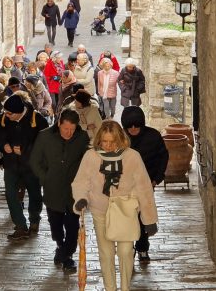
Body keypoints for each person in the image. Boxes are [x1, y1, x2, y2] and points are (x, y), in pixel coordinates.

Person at [72, 121, 158, 291]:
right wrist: (81, 198)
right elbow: (81, 181)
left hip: (125, 210)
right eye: (105, 141)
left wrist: (149, 219)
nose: (109, 146)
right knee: (106, 253)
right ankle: (110, 288)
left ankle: (125, 287)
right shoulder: (91, 156)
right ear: (99, 140)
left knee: (126, 251)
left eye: (113, 141)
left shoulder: (132, 156)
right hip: (100, 211)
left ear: (120, 140)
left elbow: (144, 187)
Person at [30, 109, 90, 273]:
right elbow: (35, 161)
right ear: (59, 124)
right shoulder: (44, 136)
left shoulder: (82, 137)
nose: (69, 133)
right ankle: (60, 247)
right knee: (56, 227)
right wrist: (46, 178)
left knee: (72, 227)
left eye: (72, 129)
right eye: (65, 129)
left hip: (74, 191)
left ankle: (67, 257)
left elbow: (88, 161)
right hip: (53, 190)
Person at [0, 93, 49, 239]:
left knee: (34, 194)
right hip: (11, 164)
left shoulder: (37, 119)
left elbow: (44, 142)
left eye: (9, 113)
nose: (6, 115)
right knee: (10, 193)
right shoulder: (4, 118)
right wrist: (3, 145)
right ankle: (20, 225)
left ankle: (34, 219)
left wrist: (25, 150)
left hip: (31, 166)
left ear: (19, 112)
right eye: (5, 112)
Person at [121, 106, 169, 263]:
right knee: (127, 217)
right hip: (125, 187)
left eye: (137, 125)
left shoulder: (153, 137)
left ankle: (142, 248)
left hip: (146, 185)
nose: (133, 129)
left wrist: (156, 178)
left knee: (143, 217)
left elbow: (163, 158)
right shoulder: (119, 138)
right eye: (130, 126)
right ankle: (128, 249)